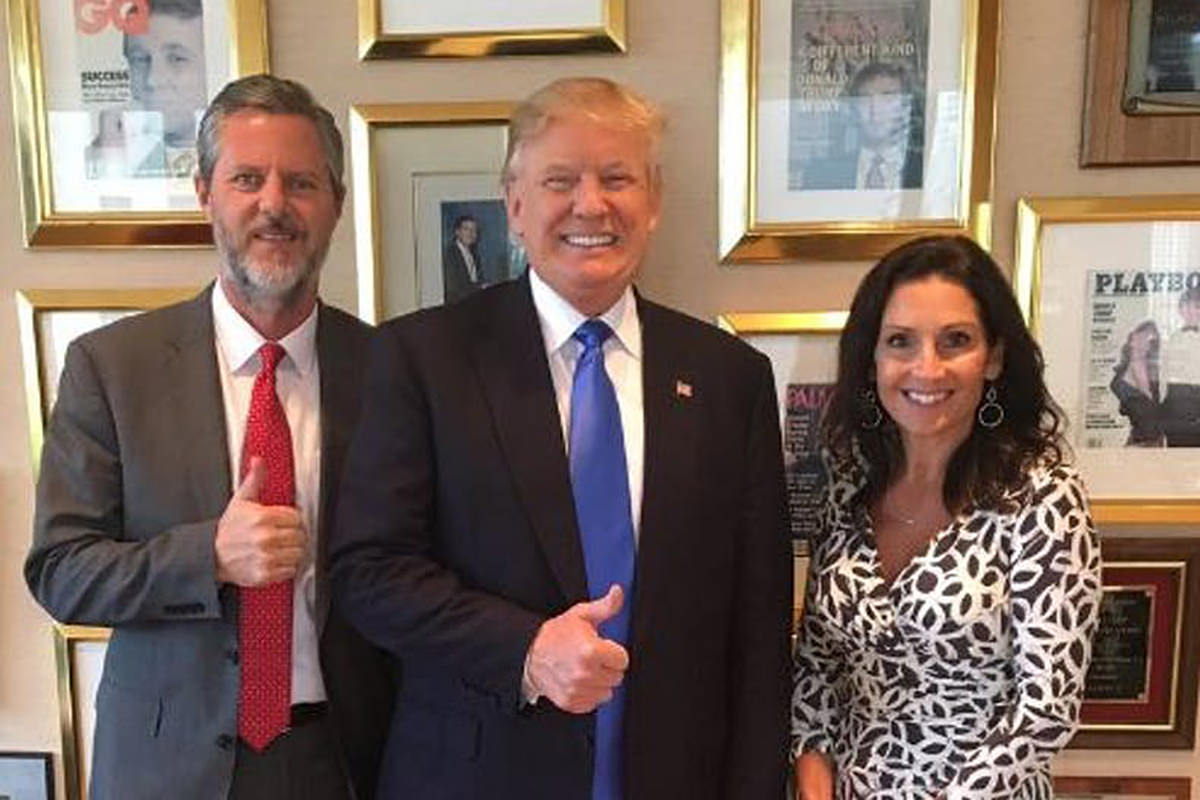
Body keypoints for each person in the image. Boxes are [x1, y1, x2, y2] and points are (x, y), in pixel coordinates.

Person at [330, 76, 792, 799]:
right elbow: (368, 571)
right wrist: (526, 647)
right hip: (475, 775)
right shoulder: (424, 358)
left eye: (617, 178)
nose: (591, 205)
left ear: (655, 200)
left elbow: (759, 625)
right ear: (514, 205)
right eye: (559, 181)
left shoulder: (729, 377)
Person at [27, 75, 391, 800]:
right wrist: (210, 558)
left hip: (346, 762)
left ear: (336, 206)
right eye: (247, 179)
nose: (274, 205)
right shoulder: (111, 367)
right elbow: (61, 572)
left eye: (302, 183)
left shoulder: (391, 370)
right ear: (204, 193)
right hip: (166, 767)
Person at [791, 235, 1102, 799]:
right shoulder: (846, 485)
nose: (926, 368)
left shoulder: (1043, 498)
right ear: (872, 360)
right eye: (900, 342)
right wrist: (813, 783)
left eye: (955, 341)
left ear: (995, 357)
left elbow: (1046, 710)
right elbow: (818, 663)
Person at [87, 0, 208, 179]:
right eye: (140, 59)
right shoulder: (109, 151)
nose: (153, 79)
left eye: (177, 59)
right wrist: (108, 163)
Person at [802, 61, 923, 191]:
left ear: (905, 105)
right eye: (865, 99)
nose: (875, 110)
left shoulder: (926, 169)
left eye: (888, 97)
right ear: (854, 108)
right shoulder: (820, 173)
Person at [1109, 320, 1163, 446]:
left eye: (1150, 340)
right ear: (1133, 338)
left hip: (1147, 440)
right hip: (1140, 438)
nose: (1144, 342)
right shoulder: (1130, 365)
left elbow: (1151, 407)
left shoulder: (1142, 366)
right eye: (1141, 336)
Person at [1160, 286, 1200, 446]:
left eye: (1197, 307)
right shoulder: (1173, 339)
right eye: (1186, 306)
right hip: (1178, 402)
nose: (1192, 311)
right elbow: (1165, 373)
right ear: (1180, 310)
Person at [442, 214, 484, 303]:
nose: (470, 233)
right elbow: (453, 288)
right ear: (457, 232)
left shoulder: (476, 256)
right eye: (466, 229)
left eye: (474, 230)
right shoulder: (450, 254)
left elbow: (477, 280)